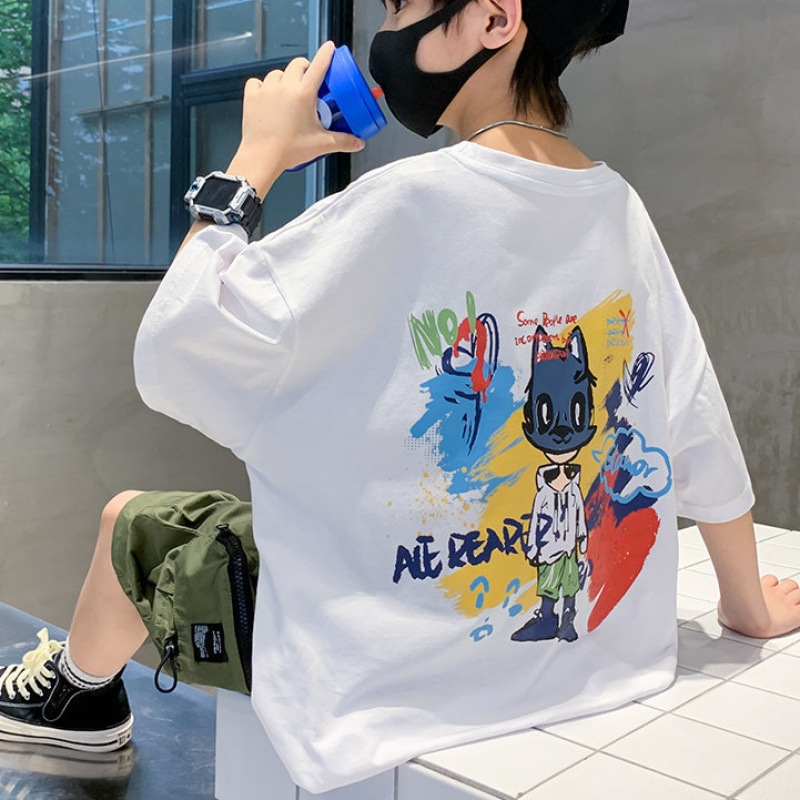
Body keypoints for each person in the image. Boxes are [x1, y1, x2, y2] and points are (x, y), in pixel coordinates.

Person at [2, 0, 800, 792]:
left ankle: (75, 698)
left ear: (495, 19)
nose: (384, 34)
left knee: (134, 522)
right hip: (598, 667)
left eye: (402, 6)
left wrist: (254, 159)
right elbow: (697, 424)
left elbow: (177, 348)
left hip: (385, 681)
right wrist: (747, 609)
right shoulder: (618, 208)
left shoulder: (401, 202)